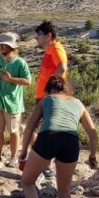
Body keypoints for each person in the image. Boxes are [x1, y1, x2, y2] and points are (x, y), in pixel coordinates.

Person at [19, 76, 98, 198]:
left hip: (48, 137)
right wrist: (92, 156)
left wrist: (24, 151)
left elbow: (29, 127)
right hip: (70, 142)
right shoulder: (78, 103)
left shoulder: (47, 99)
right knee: (64, 189)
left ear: (49, 90)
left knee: (27, 181)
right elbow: (92, 133)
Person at [0, 32, 31, 167]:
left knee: (13, 131)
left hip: (13, 103)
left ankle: (14, 157)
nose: (1, 47)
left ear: (11, 47)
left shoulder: (20, 63)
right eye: (1, 44)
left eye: (4, 45)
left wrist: (11, 79)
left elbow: (28, 81)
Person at [33, 21, 68, 184]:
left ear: (48, 35)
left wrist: (51, 91)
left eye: (39, 34)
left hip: (48, 99)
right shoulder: (49, 50)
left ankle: (45, 171)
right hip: (44, 97)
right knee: (39, 133)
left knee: (42, 134)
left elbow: (62, 67)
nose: (36, 38)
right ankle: (45, 170)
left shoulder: (56, 49)